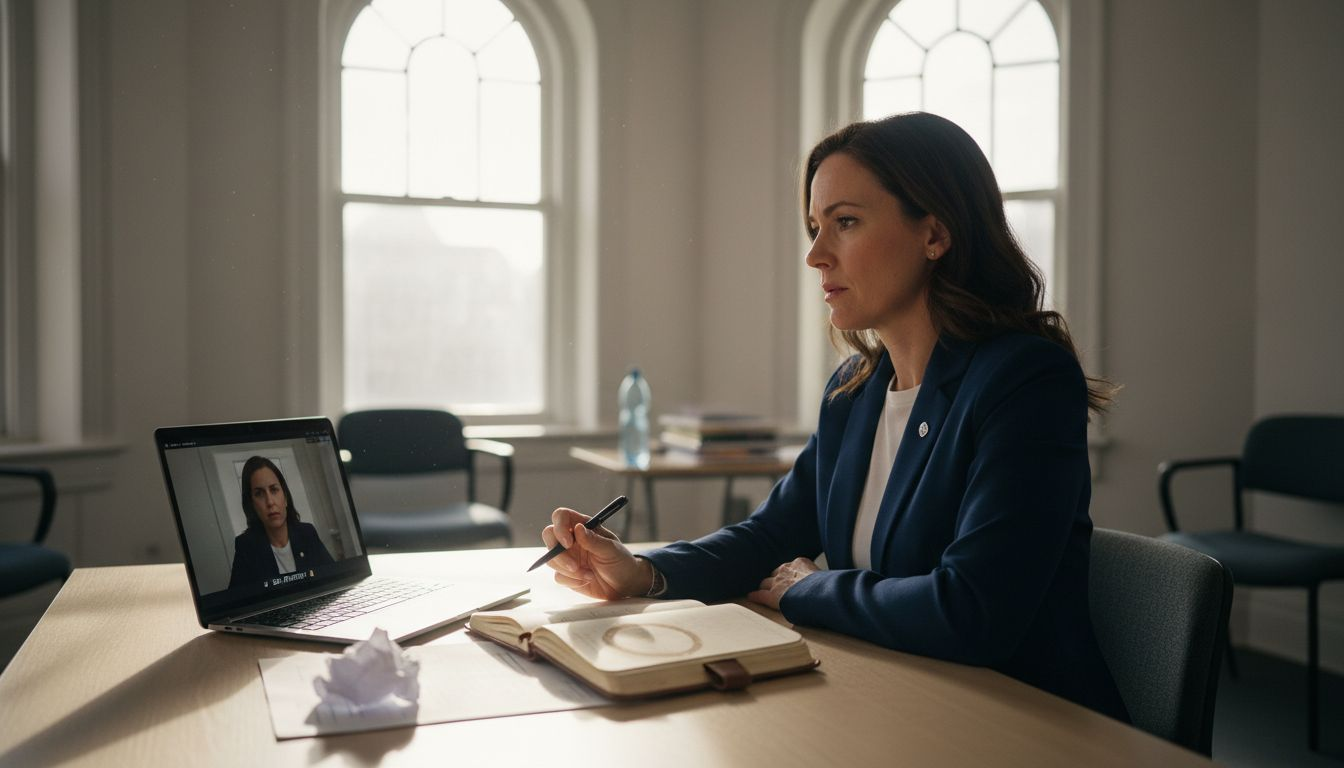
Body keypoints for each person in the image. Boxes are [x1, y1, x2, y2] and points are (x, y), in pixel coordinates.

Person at [542, 112, 1130, 722]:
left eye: (845, 222)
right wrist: (640, 572)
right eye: (815, 227)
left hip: (1021, 720)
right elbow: (769, 536)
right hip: (895, 700)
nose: (816, 255)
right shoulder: (855, 392)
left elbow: (973, 611)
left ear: (935, 234)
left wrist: (807, 589)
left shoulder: (1024, 380)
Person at [227, 455, 335, 589]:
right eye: (259, 494)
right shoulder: (246, 547)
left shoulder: (307, 532)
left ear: (285, 497)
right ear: (252, 505)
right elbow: (237, 601)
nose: (270, 502)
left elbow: (334, 578)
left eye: (274, 490)